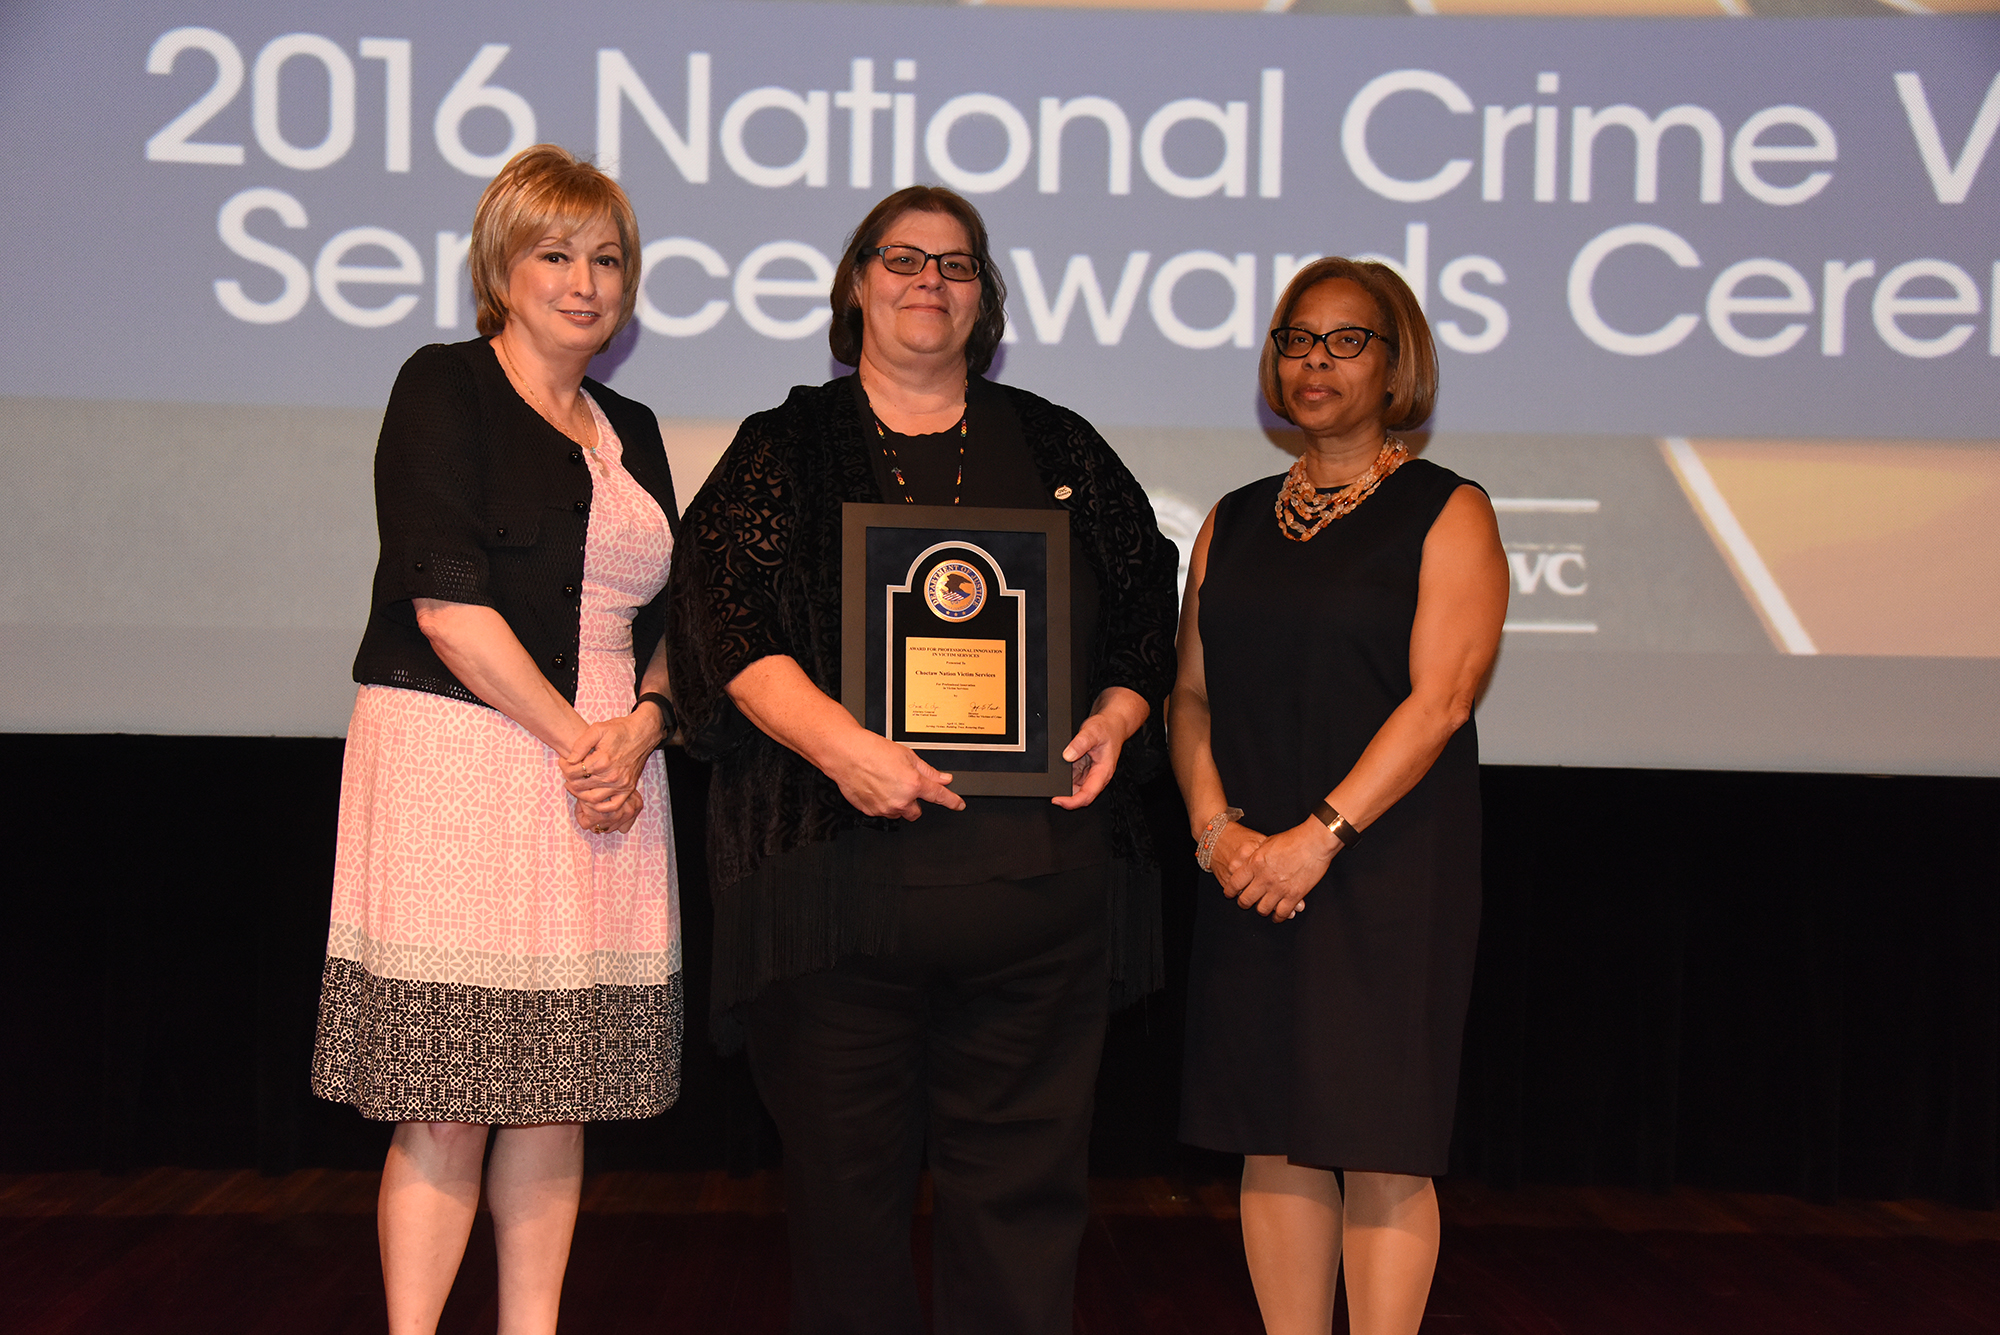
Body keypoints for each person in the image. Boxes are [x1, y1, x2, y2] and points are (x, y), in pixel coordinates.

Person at [667, 185, 1179, 1335]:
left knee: (1023, 1213)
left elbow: (1149, 594)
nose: (928, 284)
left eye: (955, 266)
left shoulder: (1055, 443)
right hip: (838, 905)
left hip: (1035, 901)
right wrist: (844, 749)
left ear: (983, 298)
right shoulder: (786, 445)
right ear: (856, 285)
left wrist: (1117, 713)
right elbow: (717, 617)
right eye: (902, 260)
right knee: (847, 1218)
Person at [310, 144, 683, 1335]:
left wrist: (644, 730)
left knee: (554, 1088)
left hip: (604, 773)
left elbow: (677, 623)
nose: (585, 281)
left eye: (607, 258)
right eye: (555, 254)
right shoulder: (444, 385)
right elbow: (446, 600)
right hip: (464, 762)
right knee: (447, 1093)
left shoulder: (631, 423)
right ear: (502, 268)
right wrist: (586, 743)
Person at [1171, 259, 1508, 1335]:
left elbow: (1439, 701)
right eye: (1294, 340)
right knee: (1269, 1130)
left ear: (1395, 361)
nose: (1313, 361)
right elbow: (1187, 700)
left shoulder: (1446, 510)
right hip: (1248, 867)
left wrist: (1315, 839)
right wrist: (1217, 833)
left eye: (1344, 341)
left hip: (1384, 867)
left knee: (1377, 1141)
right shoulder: (1229, 517)